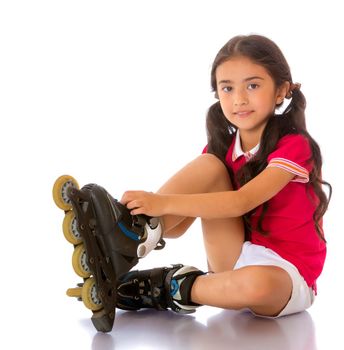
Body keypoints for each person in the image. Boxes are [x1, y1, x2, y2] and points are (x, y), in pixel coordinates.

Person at [118, 34, 331, 318]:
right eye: (227, 88)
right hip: (233, 256)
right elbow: (177, 227)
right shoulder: (222, 151)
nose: (239, 99)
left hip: (286, 274)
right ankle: (130, 233)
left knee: (257, 284)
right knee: (209, 164)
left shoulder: (294, 145)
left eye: (253, 86)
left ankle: (169, 286)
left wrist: (162, 202)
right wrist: (157, 214)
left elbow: (241, 201)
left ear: (280, 91)